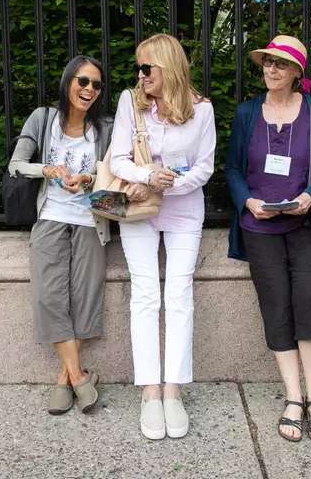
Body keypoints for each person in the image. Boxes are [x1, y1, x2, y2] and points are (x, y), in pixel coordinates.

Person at [225, 35, 311, 442]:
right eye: (267, 63)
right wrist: (247, 201)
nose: (271, 70)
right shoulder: (247, 113)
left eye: (280, 65)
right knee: (276, 308)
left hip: (302, 225)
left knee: (308, 302)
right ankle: (293, 398)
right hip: (259, 228)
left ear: (296, 73)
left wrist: (309, 197)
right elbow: (233, 169)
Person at [110, 33, 216, 440]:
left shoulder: (202, 110)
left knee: (179, 295)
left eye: (146, 67)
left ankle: (173, 391)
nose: (140, 75)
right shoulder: (130, 103)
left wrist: (166, 185)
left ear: (168, 67)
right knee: (145, 295)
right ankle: (150, 392)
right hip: (138, 210)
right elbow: (119, 157)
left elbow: (203, 168)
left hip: (185, 210)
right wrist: (145, 176)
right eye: (138, 67)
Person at [8, 55, 113, 416]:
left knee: (85, 299)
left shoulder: (105, 128)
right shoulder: (43, 119)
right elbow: (16, 164)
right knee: (48, 298)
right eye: (83, 81)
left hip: (90, 221)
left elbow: (116, 173)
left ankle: (64, 379)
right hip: (50, 217)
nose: (88, 90)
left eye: (96, 85)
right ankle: (81, 377)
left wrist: (88, 179)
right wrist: (48, 169)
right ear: (69, 80)